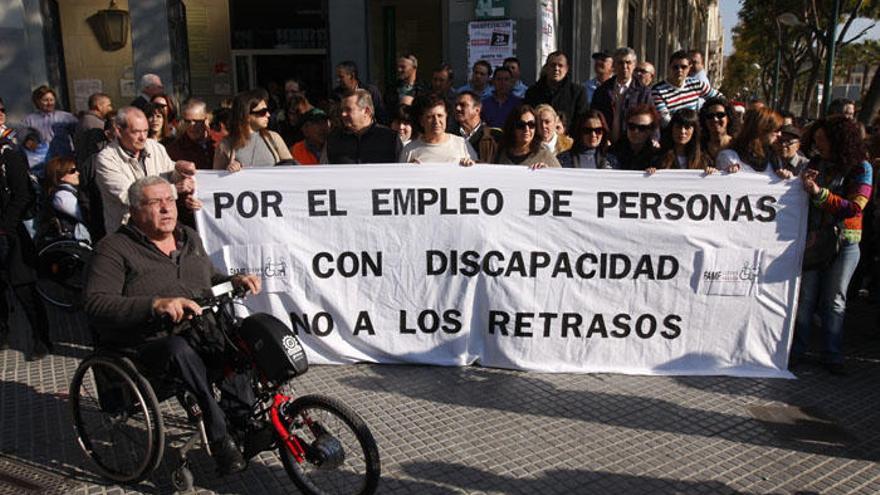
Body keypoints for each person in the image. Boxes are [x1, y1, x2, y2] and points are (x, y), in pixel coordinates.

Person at [84, 175, 261, 474]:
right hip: (145, 343)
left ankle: (243, 420)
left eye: (170, 201)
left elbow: (209, 279)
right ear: (136, 209)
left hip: (197, 329)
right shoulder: (113, 248)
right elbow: (96, 303)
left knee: (237, 342)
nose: (166, 209)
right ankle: (219, 436)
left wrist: (234, 280)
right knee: (180, 350)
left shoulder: (188, 237)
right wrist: (155, 304)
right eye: (156, 203)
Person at [791, 116, 873, 375]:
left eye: (823, 141)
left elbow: (855, 206)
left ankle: (832, 355)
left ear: (838, 140)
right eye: (816, 141)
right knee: (805, 298)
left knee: (834, 300)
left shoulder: (861, 168)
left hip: (845, 243)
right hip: (815, 241)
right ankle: (797, 351)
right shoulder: (816, 164)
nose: (819, 146)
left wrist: (819, 193)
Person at [95, 107, 197, 234]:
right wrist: (174, 190)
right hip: (128, 233)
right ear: (119, 131)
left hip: (161, 229)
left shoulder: (155, 147)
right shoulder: (106, 159)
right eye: (136, 132)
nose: (142, 137)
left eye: (145, 131)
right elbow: (127, 196)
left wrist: (180, 171)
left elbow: (168, 174)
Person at [0, 136, 52, 359]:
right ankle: (2, 335)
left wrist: (5, 226)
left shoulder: (8, 156)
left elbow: (23, 195)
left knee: (24, 290)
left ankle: (42, 339)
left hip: (10, 233)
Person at [213, 89, 292, 171]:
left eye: (267, 110)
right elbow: (216, 179)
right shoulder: (225, 145)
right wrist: (227, 170)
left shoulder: (273, 138)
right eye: (263, 112)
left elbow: (291, 167)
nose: (268, 115)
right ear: (246, 115)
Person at [590, 47, 654, 143]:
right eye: (620, 63)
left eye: (628, 63)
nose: (624, 67)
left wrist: (654, 138)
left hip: (633, 145)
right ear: (614, 65)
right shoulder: (602, 90)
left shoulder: (643, 92)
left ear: (634, 65)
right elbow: (594, 117)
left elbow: (652, 119)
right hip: (607, 144)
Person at [320, 89, 401, 164]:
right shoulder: (333, 140)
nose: (343, 114)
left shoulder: (390, 139)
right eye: (342, 110)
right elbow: (323, 171)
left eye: (348, 109)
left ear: (366, 111)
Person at [399, 93, 477, 165]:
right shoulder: (409, 150)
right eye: (430, 117)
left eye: (440, 116)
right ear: (421, 121)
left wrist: (470, 165)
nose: (436, 121)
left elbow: (477, 172)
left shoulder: (462, 145)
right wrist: (409, 169)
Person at [652, 50, 722, 127]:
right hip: (671, 133)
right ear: (669, 67)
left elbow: (719, 97)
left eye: (683, 67)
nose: (679, 70)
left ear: (689, 68)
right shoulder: (657, 91)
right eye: (675, 67)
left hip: (694, 131)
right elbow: (665, 120)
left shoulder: (696, 84)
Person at [525, 51, 589, 128]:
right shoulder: (533, 92)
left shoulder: (578, 92)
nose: (556, 68)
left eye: (560, 65)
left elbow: (581, 121)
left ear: (566, 69)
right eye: (553, 65)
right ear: (546, 68)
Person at [716, 107, 783, 176]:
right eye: (776, 130)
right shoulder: (729, 157)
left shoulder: (774, 160)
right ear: (762, 129)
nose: (779, 134)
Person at [38, 156, 90, 244]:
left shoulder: (73, 190)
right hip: (74, 240)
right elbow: (83, 214)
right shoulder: (61, 195)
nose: (77, 173)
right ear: (61, 175)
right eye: (72, 171)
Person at [21, 85, 78, 163]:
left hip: (63, 160)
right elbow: (23, 141)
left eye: (52, 100)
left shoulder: (66, 117)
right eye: (45, 100)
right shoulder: (29, 120)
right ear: (37, 101)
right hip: (41, 162)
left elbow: (78, 135)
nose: (49, 103)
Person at [493, 105, 560, 168]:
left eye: (531, 124)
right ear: (512, 127)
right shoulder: (501, 154)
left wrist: (547, 171)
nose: (526, 129)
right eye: (521, 125)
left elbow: (560, 176)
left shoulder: (545, 155)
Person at [648, 109, 712, 174]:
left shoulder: (704, 160)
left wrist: (712, 172)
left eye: (687, 127)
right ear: (672, 129)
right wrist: (651, 171)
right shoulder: (658, 158)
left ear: (694, 131)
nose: (682, 131)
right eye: (678, 127)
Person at [166, 98, 215, 171]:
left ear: (206, 120)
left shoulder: (218, 143)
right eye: (187, 121)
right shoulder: (175, 150)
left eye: (196, 121)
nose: (192, 126)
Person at [609, 104, 660, 171]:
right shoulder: (614, 151)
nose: (636, 131)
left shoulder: (657, 154)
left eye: (642, 128)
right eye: (631, 126)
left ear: (651, 130)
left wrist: (655, 172)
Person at [74, 92, 113, 165]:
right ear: (99, 106)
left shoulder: (86, 119)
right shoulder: (95, 124)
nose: (111, 108)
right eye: (108, 105)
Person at [698, 97, 736, 162]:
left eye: (720, 115)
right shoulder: (698, 148)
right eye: (710, 116)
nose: (715, 119)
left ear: (728, 118)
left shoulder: (738, 145)